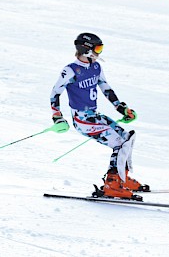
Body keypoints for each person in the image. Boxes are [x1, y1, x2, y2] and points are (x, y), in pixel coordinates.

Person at [50, 32, 149, 200]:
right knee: (120, 143)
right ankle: (112, 185)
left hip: (94, 116)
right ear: (86, 49)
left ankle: (121, 178)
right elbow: (55, 93)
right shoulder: (71, 70)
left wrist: (121, 108)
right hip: (82, 120)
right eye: (98, 48)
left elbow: (105, 87)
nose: (99, 52)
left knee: (127, 137)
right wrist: (57, 116)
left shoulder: (96, 67)